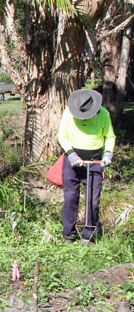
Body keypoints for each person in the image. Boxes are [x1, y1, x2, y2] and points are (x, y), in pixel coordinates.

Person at [57, 88, 116, 243]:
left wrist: (108, 153)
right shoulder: (68, 112)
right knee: (70, 197)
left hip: (95, 162)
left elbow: (109, 136)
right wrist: (71, 154)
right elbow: (62, 135)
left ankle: (88, 235)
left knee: (92, 200)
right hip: (72, 160)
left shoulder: (103, 113)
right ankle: (68, 233)